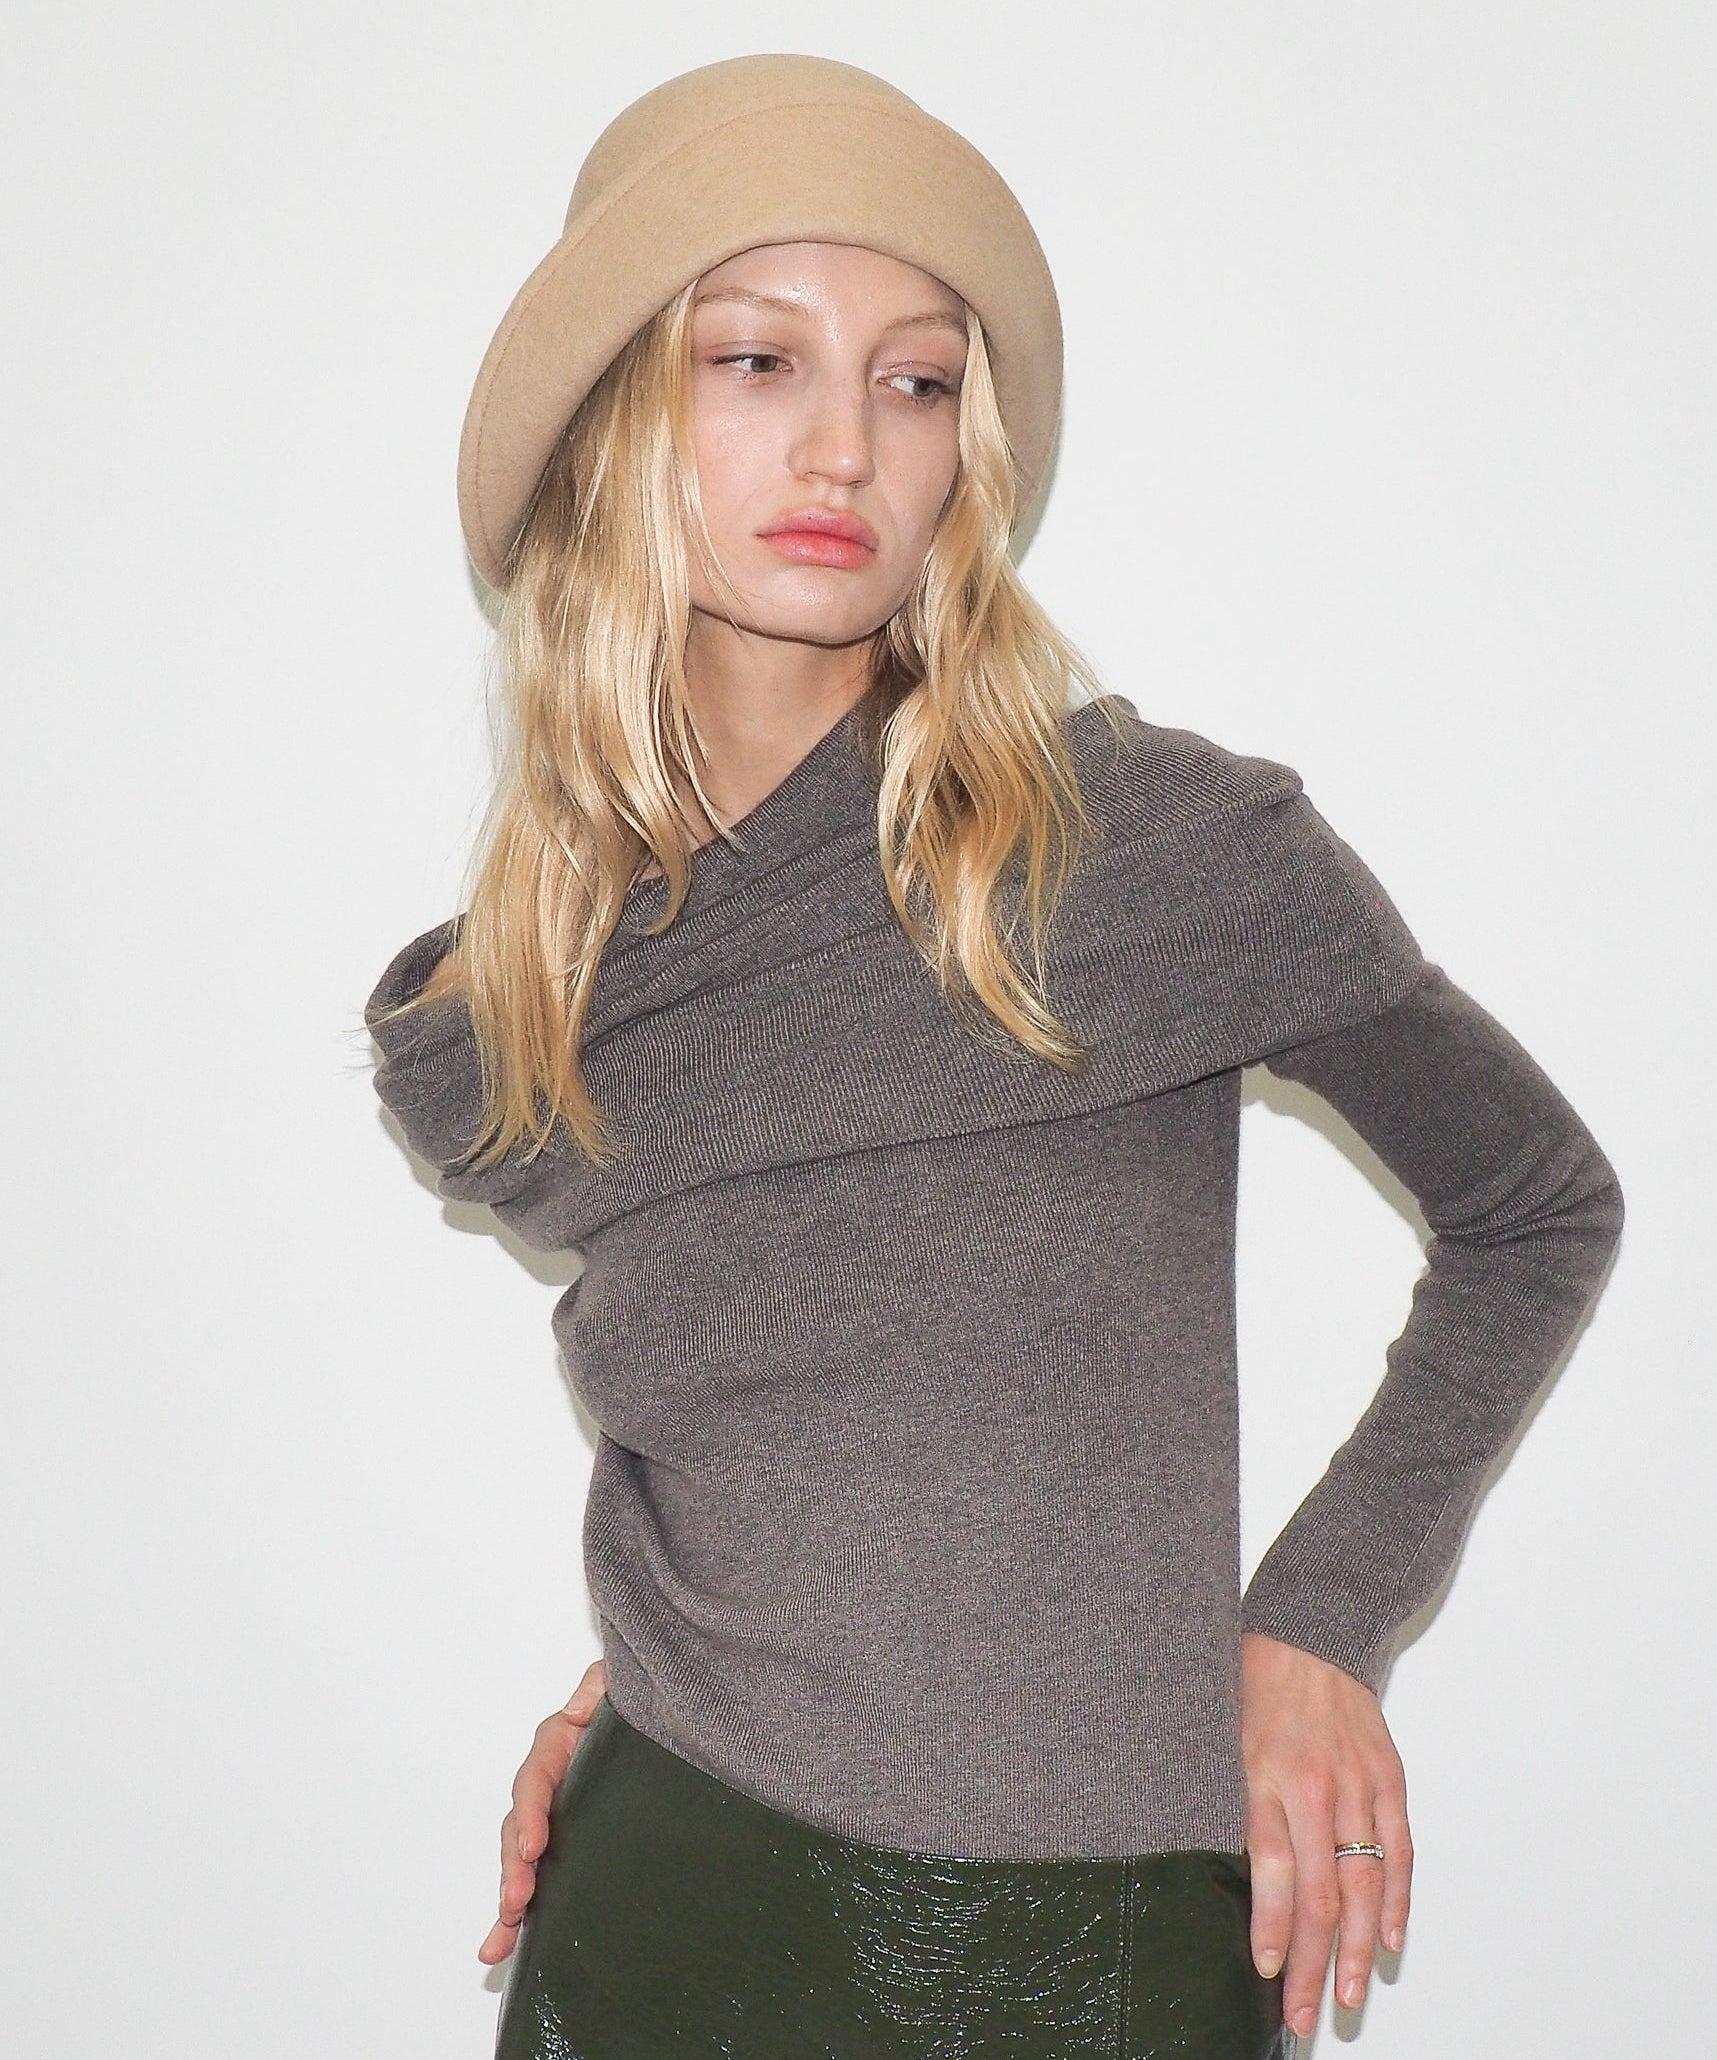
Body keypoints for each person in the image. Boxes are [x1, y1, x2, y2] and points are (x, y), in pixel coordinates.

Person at [364, 53, 1624, 2060]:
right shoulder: (523, 1004)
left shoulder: (1156, 855)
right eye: (755, 360)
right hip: (665, 1896)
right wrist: (657, 1686)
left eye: (917, 378)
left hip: (1099, 1947)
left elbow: (1536, 1205)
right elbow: (796, 1414)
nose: (846, 449)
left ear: (971, 445)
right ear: (618, 423)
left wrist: (1322, 1613)